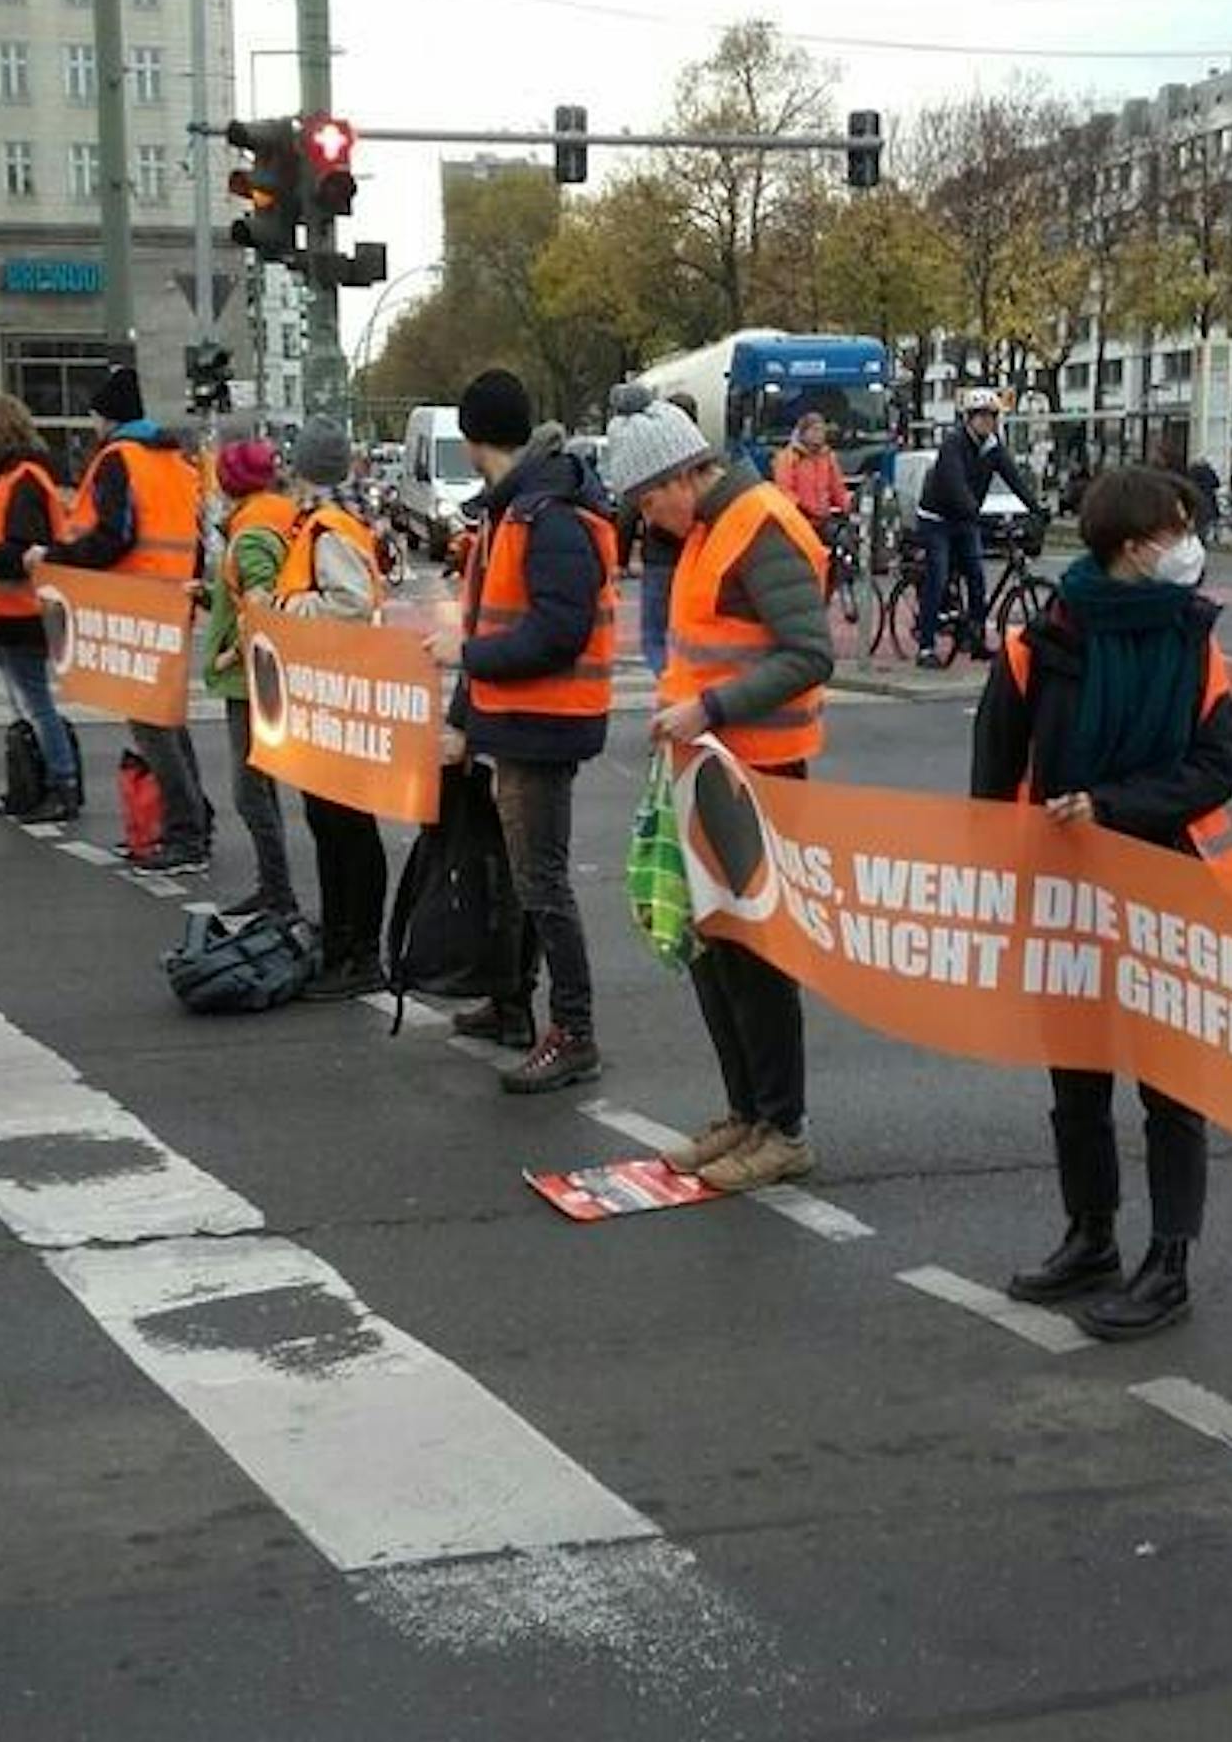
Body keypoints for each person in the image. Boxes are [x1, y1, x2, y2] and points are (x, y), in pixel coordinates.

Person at [972, 466, 1232, 1340]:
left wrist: (1110, 805)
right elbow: (992, 780)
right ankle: (1090, 1234)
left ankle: (1169, 1262)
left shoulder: (1197, 643)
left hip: (1167, 882)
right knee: (1079, 1076)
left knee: (1170, 1084)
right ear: (1134, 547)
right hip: (1066, 894)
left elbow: (1214, 771)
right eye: (1179, 528)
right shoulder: (1042, 645)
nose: (1190, 544)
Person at [603, 388, 834, 1191]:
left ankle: (784, 1126)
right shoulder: (710, 526)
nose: (645, 517)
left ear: (679, 475)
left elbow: (809, 653)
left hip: (757, 771)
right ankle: (749, 1111)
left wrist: (708, 706)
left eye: (645, 499)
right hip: (713, 768)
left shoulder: (757, 524)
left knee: (756, 953)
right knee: (717, 949)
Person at [428, 369, 617, 1095]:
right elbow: (496, 620)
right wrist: (461, 718)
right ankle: (513, 1004)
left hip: (546, 721)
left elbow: (556, 633)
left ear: (476, 440)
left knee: (541, 881)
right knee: (522, 877)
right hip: (521, 718)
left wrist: (467, 662)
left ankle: (573, 1031)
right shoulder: (519, 511)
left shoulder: (546, 517)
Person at [36, 366, 210, 874]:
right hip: (171, 601)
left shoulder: (118, 460)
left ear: (105, 419)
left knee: (153, 727)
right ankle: (194, 823)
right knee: (169, 722)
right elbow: (195, 538)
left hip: (133, 603)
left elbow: (114, 536)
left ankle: (185, 835)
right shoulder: (175, 461)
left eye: (94, 419)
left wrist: (57, 558)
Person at [275, 418, 387, 998]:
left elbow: (351, 603)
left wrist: (283, 609)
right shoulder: (329, 521)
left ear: (304, 469)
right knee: (334, 824)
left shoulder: (328, 526)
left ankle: (358, 948)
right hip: (337, 691)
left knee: (345, 827)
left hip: (338, 692)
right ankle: (343, 935)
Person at [0, 393, 79, 821]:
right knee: (29, 702)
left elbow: (20, 553)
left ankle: (59, 784)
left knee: (35, 703)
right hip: (10, 613)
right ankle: (42, 783)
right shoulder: (17, 478)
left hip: (19, 611)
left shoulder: (19, 481)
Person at [203, 437, 299, 919]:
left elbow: (260, 609)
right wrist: (207, 594)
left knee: (248, 792)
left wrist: (226, 658)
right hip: (262, 676)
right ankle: (274, 888)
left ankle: (277, 892)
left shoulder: (252, 533)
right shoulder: (273, 517)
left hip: (249, 681)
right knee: (261, 787)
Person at [914, 388, 1035, 669]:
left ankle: (976, 639)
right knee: (939, 576)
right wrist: (975, 513)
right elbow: (955, 485)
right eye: (981, 417)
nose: (987, 422)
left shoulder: (993, 448)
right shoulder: (953, 445)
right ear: (968, 419)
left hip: (966, 519)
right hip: (937, 518)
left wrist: (1037, 508)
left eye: (992, 417)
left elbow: (1014, 479)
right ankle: (926, 646)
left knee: (977, 578)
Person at [614, 386, 695, 678]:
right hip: (682, 558)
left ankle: (667, 679)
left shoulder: (656, 457)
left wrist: (620, 560)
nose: (648, 516)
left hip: (660, 558)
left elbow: (626, 515)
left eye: (649, 503)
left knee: (655, 632)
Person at [772, 411, 851, 537]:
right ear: (803, 433)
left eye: (821, 431)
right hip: (797, 522)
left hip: (823, 521)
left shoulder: (828, 458)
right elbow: (784, 490)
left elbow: (837, 488)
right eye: (814, 430)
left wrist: (849, 509)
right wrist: (803, 510)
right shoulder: (788, 458)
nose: (818, 435)